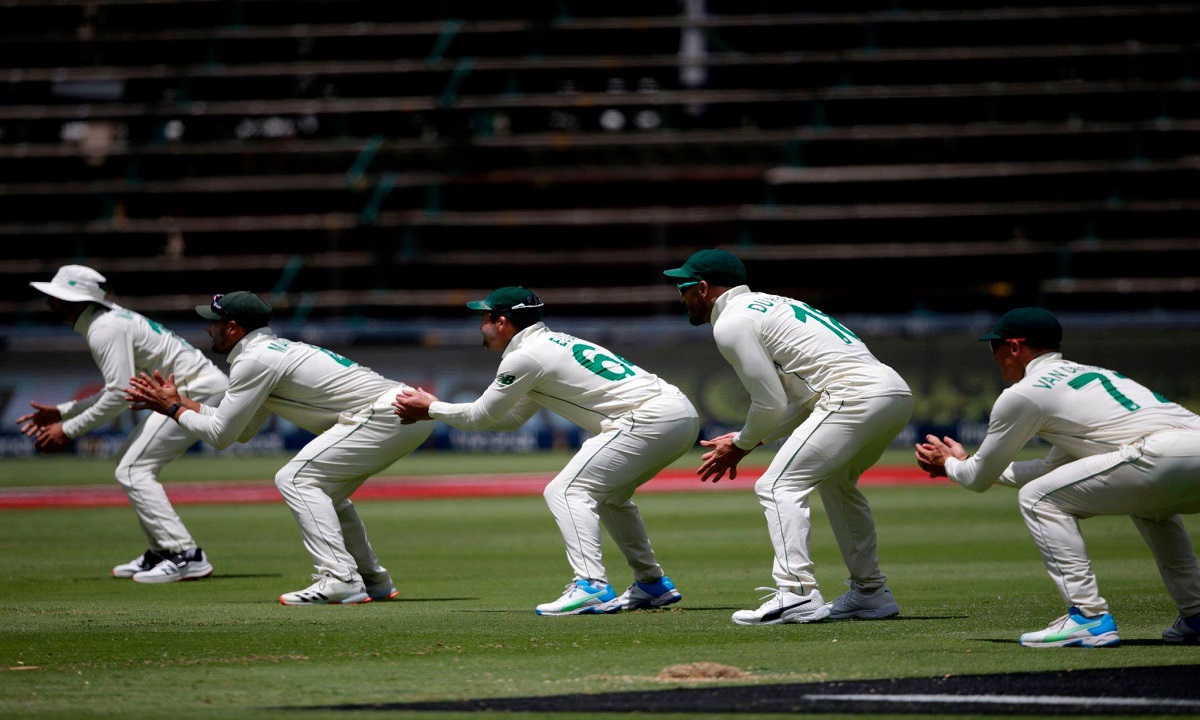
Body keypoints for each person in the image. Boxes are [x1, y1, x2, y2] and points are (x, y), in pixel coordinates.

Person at [391, 286, 700, 616]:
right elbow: (509, 419)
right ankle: (651, 584)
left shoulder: (524, 357)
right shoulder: (549, 345)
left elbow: (480, 415)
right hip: (679, 415)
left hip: (649, 417)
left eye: (483, 318)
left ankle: (592, 587)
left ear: (503, 322)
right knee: (610, 497)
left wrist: (433, 407)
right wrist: (435, 410)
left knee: (565, 490)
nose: (479, 325)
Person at [915, 307, 1200, 647]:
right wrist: (968, 463)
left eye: (996, 347)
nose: (994, 357)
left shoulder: (1024, 393)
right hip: (1183, 447)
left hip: (1160, 452)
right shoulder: (1090, 375)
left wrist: (951, 464)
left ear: (1015, 347)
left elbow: (976, 478)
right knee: (1152, 508)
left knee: (1037, 499)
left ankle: (1088, 617)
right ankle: (1196, 615)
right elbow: (1052, 470)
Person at [124, 291, 433, 605]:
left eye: (214, 322)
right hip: (401, 412)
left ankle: (340, 579)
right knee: (325, 493)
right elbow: (241, 431)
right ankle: (372, 580)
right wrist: (179, 404)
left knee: (296, 479)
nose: (208, 329)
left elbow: (219, 436)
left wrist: (174, 409)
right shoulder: (267, 354)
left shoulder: (254, 360)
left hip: (392, 413)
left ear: (232, 328)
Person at [662, 249, 913, 626]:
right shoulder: (772, 304)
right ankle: (870, 594)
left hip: (854, 395)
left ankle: (796, 593)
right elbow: (798, 400)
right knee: (837, 485)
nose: (679, 298)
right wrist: (753, 439)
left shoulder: (730, 322)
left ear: (702, 288)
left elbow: (769, 402)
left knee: (777, 486)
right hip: (893, 393)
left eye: (682, 288)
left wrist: (742, 444)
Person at [19, 265, 228, 583]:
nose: (49, 302)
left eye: (56, 296)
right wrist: (62, 412)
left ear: (76, 300)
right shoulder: (108, 320)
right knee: (129, 465)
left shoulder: (104, 328)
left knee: (133, 469)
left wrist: (68, 429)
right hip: (194, 387)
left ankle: (186, 555)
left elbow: (117, 396)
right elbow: (119, 390)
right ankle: (162, 550)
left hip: (194, 392)